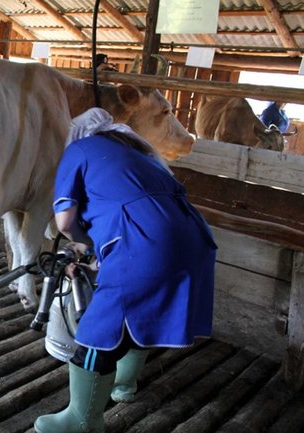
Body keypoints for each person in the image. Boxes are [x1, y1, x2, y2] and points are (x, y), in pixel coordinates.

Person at [34, 107, 217, 433]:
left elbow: (65, 222)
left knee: (97, 330)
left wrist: (85, 244)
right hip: (196, 238)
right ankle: (124, 385)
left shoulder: (78, 149)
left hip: (144, 242)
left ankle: (82, 421)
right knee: (145, 310)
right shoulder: (139, 153)